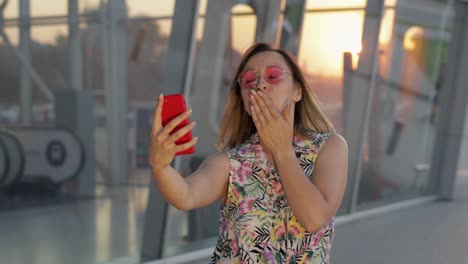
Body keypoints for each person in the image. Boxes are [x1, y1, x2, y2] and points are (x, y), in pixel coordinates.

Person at [149, 43, 348, 263]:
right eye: (249, 80)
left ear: (297, 91)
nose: (260, 84)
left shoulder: (330, 147)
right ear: (244, 102)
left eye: (273, 75)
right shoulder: (230, 163)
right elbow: (186, 195)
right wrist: (160, 166)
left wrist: (282, 150)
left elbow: (314, 218)